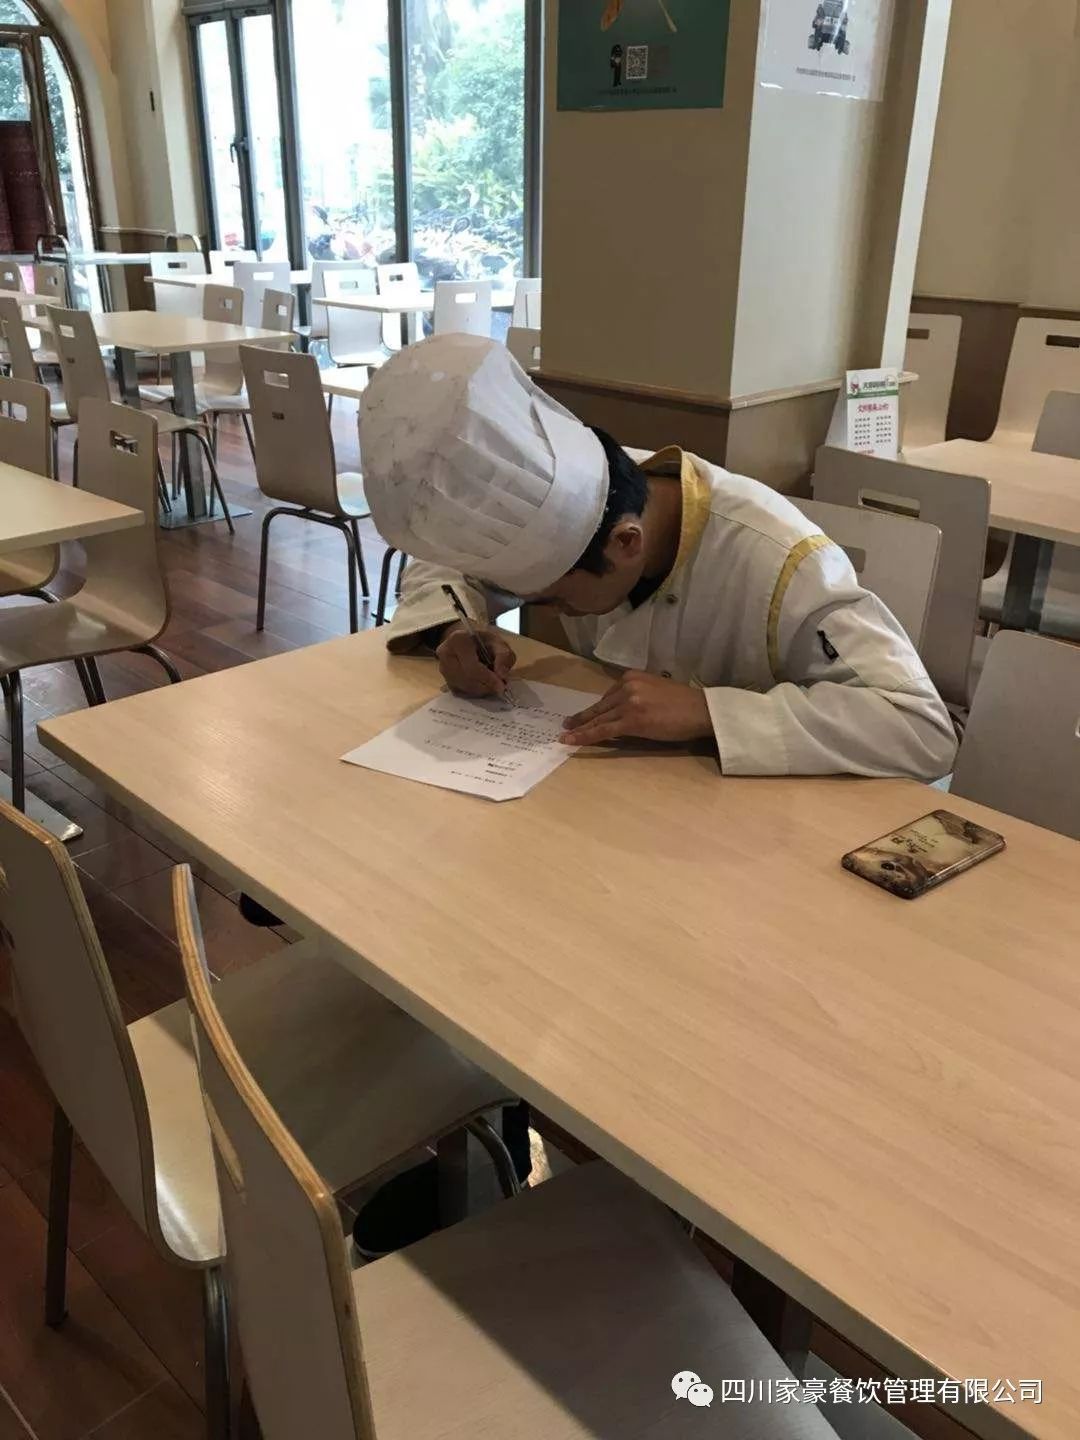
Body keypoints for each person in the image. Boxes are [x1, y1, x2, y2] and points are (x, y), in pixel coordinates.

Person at [361, 333, 958, 783]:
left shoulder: (780, 560)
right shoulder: (571, 486)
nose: (547, 609)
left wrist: (710, 712)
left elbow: (922, 729)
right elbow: (456, 561)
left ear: (626, 544)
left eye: (558, 600)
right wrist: (457, 629)